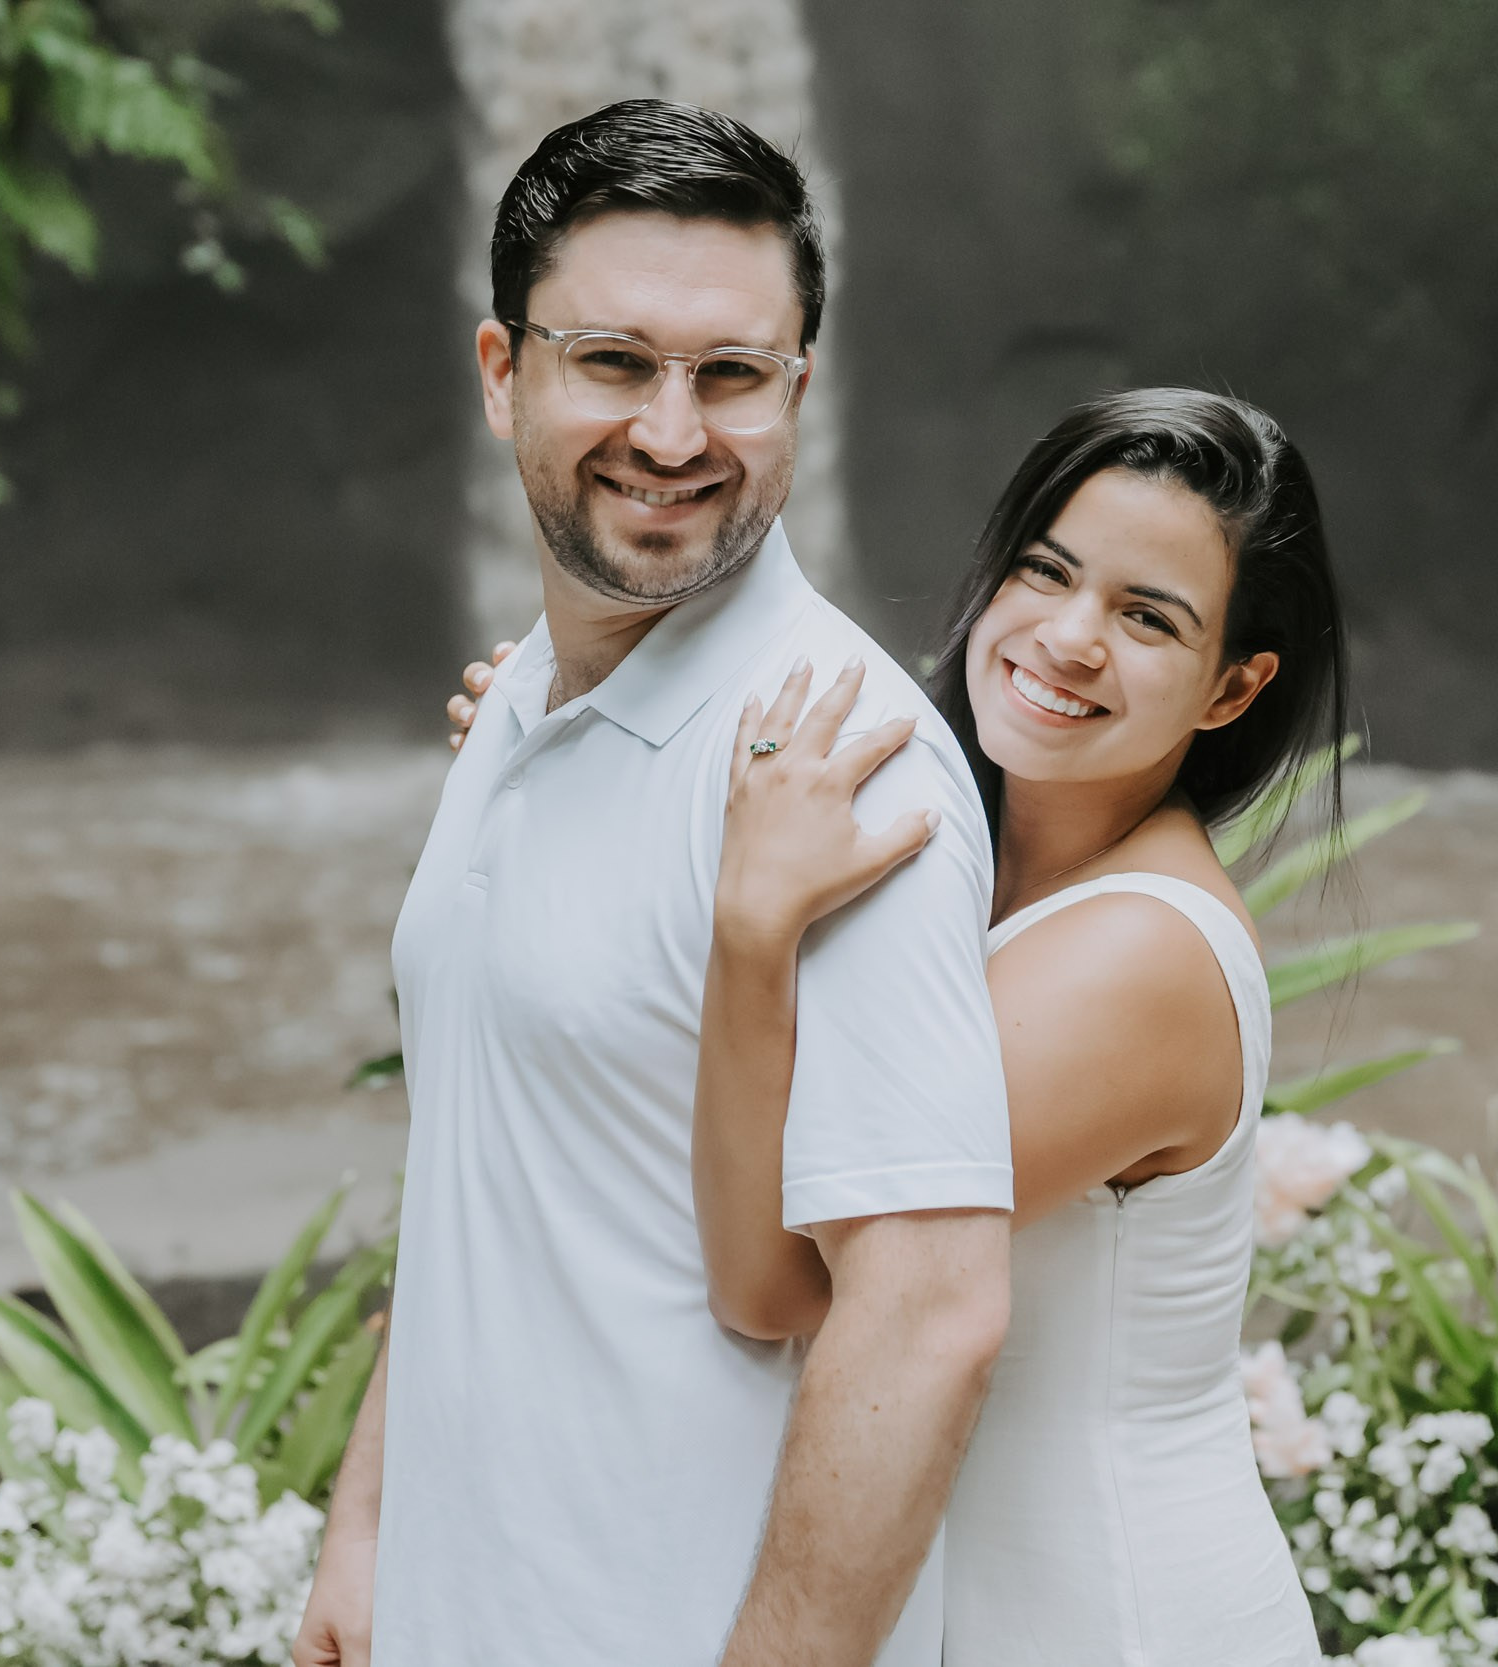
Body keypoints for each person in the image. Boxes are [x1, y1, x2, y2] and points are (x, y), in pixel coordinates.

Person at [453, 387, 1344, 1664]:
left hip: (1106, 1615)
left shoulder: (1135, 954)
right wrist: (566, 758)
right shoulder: (954, 855)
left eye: (1149, 617)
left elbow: (774, 1280)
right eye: (1048, 571)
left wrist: (755, 935)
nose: (1070, 636)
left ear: (1230, 686)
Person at [295, 101, 1016, 1667]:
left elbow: (929, 1310)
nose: (675, 434)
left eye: (732, 374)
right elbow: (492, 1153)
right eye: (615, 362)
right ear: (506, 375)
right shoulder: (518, 712)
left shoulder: (842, 764)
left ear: (798, 393)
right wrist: (367, 1521)